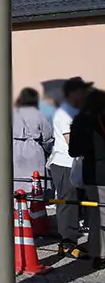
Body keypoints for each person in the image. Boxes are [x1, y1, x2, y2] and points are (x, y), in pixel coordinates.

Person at [49, 76, 93, 259]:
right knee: (68, 204)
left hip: (75, 163)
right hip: (64, 163)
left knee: (75, 204)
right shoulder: (65, 113)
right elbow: (71, 142)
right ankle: (67, 243)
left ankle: (70, 240)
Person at [69, 89, 105, 270]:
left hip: (94, 172)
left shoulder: (82, 121)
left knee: (96, 214)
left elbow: (74, 150)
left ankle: (99, 253)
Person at [13, 87, 54, 193]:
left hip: (14, 149)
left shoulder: (12, 113)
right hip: (34, 149)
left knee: (17, 183)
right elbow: (47, 135)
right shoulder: (38, 114)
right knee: (35, 183)